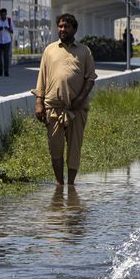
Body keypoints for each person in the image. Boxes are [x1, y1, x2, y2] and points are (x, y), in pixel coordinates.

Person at [33, 14, 97, 186]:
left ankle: (71, 184)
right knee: (55, 148)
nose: (62, 30)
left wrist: (80, 98)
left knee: (74, 149)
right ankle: (60, 184)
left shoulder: (84, 51)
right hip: (52, 108)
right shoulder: (50, 50)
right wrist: (39, 102)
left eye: (66, 27)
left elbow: (90, 78)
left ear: (74, 29)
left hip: (76, 109)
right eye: (60, 26)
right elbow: (42, 77)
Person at [0, 8, 13, 76]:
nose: (3, 16)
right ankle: (0, 71)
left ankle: (6, 72)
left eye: (4, 14)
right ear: (0, 15)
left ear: (6, 14)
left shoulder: (9, 20)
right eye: (2, 15)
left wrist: (8, 29)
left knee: (6, 57)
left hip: (7, 41)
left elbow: (12, 31)